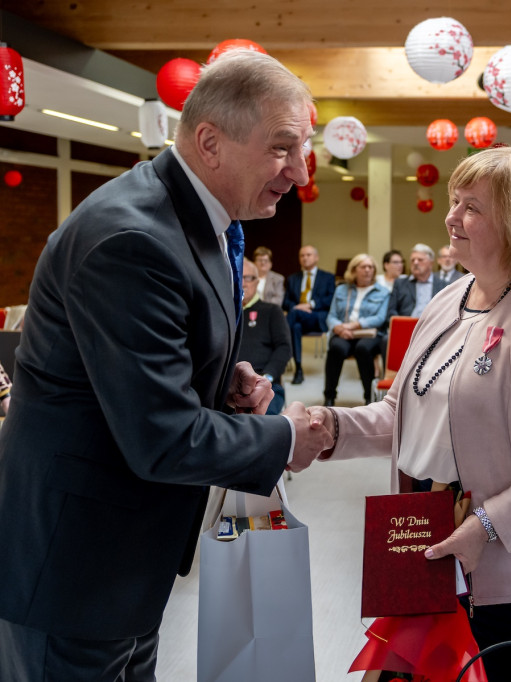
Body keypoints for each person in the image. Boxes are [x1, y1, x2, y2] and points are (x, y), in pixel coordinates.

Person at [0, 50, 334, 681]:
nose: (299, 170)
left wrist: (220, 377)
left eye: (305, 147)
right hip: (75, 566)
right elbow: (162, 434)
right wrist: (285, 437)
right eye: (281, 147)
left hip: (127, 559)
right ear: (210, 142)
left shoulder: (197, 216)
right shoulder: (132, 238)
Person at [314, 147, 511, 682]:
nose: (451, 217)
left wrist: (487, 525)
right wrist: (330, 430)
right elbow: (403, 412)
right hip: (441, 550)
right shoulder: (449, 299)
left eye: (472, 207)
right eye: (453, 202)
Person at [322, 253, 390, 406]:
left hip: (369, 334)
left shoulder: (382, 292)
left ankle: (369, 397)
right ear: (353, 270)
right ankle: (329, 396)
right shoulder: (341, 289)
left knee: (362, 349)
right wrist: (339, 329)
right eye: (363, 267)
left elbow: (380, 318)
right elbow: (331, 315)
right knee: (336, 348)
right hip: (344, 333)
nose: (367, 270)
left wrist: (354, 325)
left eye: (371, 267)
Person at [239, 258, 292, 415]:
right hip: (227, 384)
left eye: (248, 278)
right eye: (238, 276)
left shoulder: (272, 311)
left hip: (264, 382)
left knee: (262, 424)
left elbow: (284, 348)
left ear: (257, 282)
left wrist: (266, 378)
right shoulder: (223, 313)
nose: (242, 283)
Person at [283, 244, 336, 384]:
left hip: (316, 317)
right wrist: (297, 307)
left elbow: (331, 299)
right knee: (295, 327)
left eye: (308, 255)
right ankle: (298, 369)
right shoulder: (292, 279)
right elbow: (286, 302)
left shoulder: (328, 277)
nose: (305, 258)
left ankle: (280, 344)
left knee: (293, 315)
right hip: (297, 319)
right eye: (302, 255)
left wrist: (310, 305)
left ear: (316, 257)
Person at [386, 243, 447, 321]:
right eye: (412, 260)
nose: (415, 263)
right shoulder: (400, 284)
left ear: (431, 263)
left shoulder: (443, 286)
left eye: (420, 260)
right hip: (406, 326)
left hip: (433, 325)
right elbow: (391, 312)